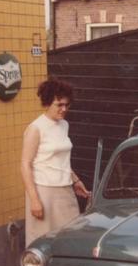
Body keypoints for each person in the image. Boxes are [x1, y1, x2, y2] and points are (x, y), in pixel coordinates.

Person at [21, 77, 90, 246]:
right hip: (44, 193)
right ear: (47, 103)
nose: (64, 109)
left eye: (67, 105)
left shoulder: (64, 125)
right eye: (59, 105)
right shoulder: (36, 128)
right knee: (44, 242)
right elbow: (25, 165)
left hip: (65, 190)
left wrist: (76, 181)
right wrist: (34, 200)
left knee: (71, 237)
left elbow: (61, 160)